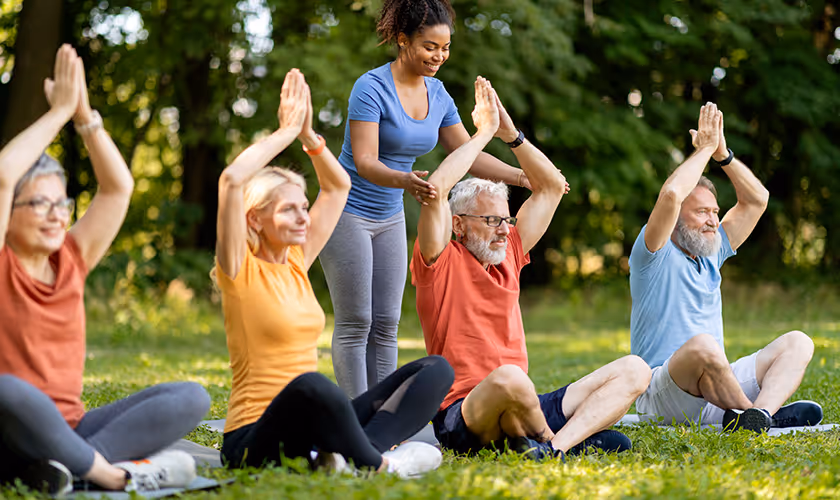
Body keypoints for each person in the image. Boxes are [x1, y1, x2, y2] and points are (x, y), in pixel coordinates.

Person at [214, 68, 454, 477]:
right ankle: (380, 465)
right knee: (312, 385)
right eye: (288, 209)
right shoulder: (238, 271)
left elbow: (338, 186)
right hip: (253, 438)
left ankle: (350, 456)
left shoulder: (295, 263)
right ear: (254, 220)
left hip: (309, 430)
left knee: (435, 370)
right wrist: (286, 132)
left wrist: (311, 138)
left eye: (303, 207)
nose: (303, 216)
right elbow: (232, 180)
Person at [0, 45, 210, 496]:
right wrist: (57, 114)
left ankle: (65, 468)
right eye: (39, 203)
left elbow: (119, 189)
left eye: (62, 203)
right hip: (9, 429)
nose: (57, 214)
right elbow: (3, 173)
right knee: (6, 390)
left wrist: (84, 115)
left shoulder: (72, 257)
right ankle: (111, 475)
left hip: (73, 430)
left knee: (192, 397)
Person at [410, 77, 651, 460]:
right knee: (509, 378)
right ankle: (552, 438)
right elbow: (437, 188)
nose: (504, 231)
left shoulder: (509, 252)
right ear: (458, 224)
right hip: (466, 415)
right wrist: (483, 132)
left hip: (523, 402)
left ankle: (552, 447)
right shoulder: (439, 259)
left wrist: (511, 135)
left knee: (635, 369)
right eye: (491, 221)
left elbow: (553, 186)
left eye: (506, 221)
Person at [320, 0, 532, 398]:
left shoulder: (439, 95)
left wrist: (522, 177)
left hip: (390, 214)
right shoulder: (371, 87)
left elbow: (469, 153)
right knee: (356, 322)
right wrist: (405, 180)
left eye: (445, 47)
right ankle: (355, 417)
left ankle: (381, 415)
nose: (439, 56)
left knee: (386, 323)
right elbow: (364, 162)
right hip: (347, 212)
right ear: (403, 41)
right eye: (430, 46)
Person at [629, 102, 822, 432]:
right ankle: (754, 414)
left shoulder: (711, 252)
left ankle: (757, 415)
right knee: (703, 345)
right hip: (664, 392)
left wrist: (723, 155)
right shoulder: (653, 252)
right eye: (702, 212)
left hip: (716, 387)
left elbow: (757, 200)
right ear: (676, 218)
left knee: (798, 342)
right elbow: (673, 193)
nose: (712, 221)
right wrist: (703, 150)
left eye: (715, 212)